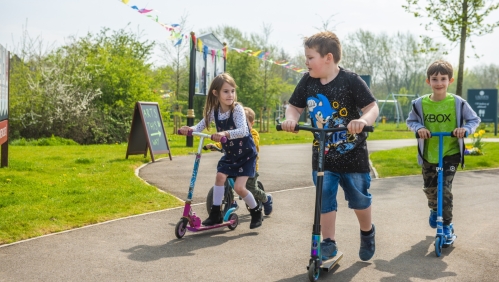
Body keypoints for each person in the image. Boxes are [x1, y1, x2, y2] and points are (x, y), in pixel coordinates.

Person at [279, 31, 379, 261]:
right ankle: (328, 243)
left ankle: (367, 232)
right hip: (323, 156)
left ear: (328, 58)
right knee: (324, 198)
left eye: (310, 57)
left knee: (359, 199)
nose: (306, 62)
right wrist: (291, 119)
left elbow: (372, 107)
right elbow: (294, 106)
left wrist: (363, 121)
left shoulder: (351, 80)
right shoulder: (307, 81)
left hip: (353, 155)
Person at [406, 60, 480, 240]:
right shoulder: (419, 104)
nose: (439, 83)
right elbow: (411, 121)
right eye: (434, 79)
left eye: (443, 79)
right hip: (429, 154)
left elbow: (473, 120)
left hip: (450, 153)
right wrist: (419, 129)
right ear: (428, 81)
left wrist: (464, 130)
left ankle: (446, 226)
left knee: (444, 189)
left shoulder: (458, 103)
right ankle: (433, 209)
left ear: (450, 81)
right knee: (430, 190)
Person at [179, 73, 263, 229]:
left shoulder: (237, 109)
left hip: (246, 154)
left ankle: (256, 210)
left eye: (232, 91)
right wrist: (188, 129)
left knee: (239, 188)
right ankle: (215, 213)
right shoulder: (214, 111)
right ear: (215, 93)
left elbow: (243, 131)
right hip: (231, 154)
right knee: (219, 176)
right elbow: (199, 127)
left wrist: (225, 133)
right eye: (226, 91)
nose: (230, 95)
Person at [205, 106, 274, 216]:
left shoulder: (253, 134)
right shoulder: (234, 133)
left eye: (244, 122)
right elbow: (224, 142)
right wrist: (215, 145)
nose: (240, 125)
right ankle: (229, 201)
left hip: (248, 166)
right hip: (234, 163)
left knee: (251, 189)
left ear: (251, 123)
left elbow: (253, 143)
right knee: (223, 177)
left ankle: (266, 199)